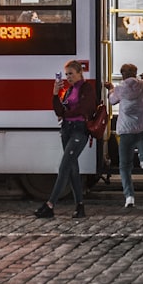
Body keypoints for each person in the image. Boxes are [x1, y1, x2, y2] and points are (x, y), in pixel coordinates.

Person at [35, 59, 96, 219]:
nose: (68, 77)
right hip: (67, 130)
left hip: (79, 131)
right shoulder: (69, 91)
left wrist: (66, 115)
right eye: (67, 74)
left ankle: (50, 204)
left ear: (79, 73)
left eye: (71, 74)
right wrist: (55, 93)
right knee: (72, 169)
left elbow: (85, 108)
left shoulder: (86, 88)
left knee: (64, 167)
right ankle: (79, 206)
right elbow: (58, 110)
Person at [106, 63, 143, 207]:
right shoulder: (142, 84)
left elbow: (112, 101)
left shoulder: (120, 88)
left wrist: (111, 89)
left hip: (127, 130)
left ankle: (129, 197)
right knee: (140, 133)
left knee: (125, 166)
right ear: (135, 73)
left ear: (123, 75)